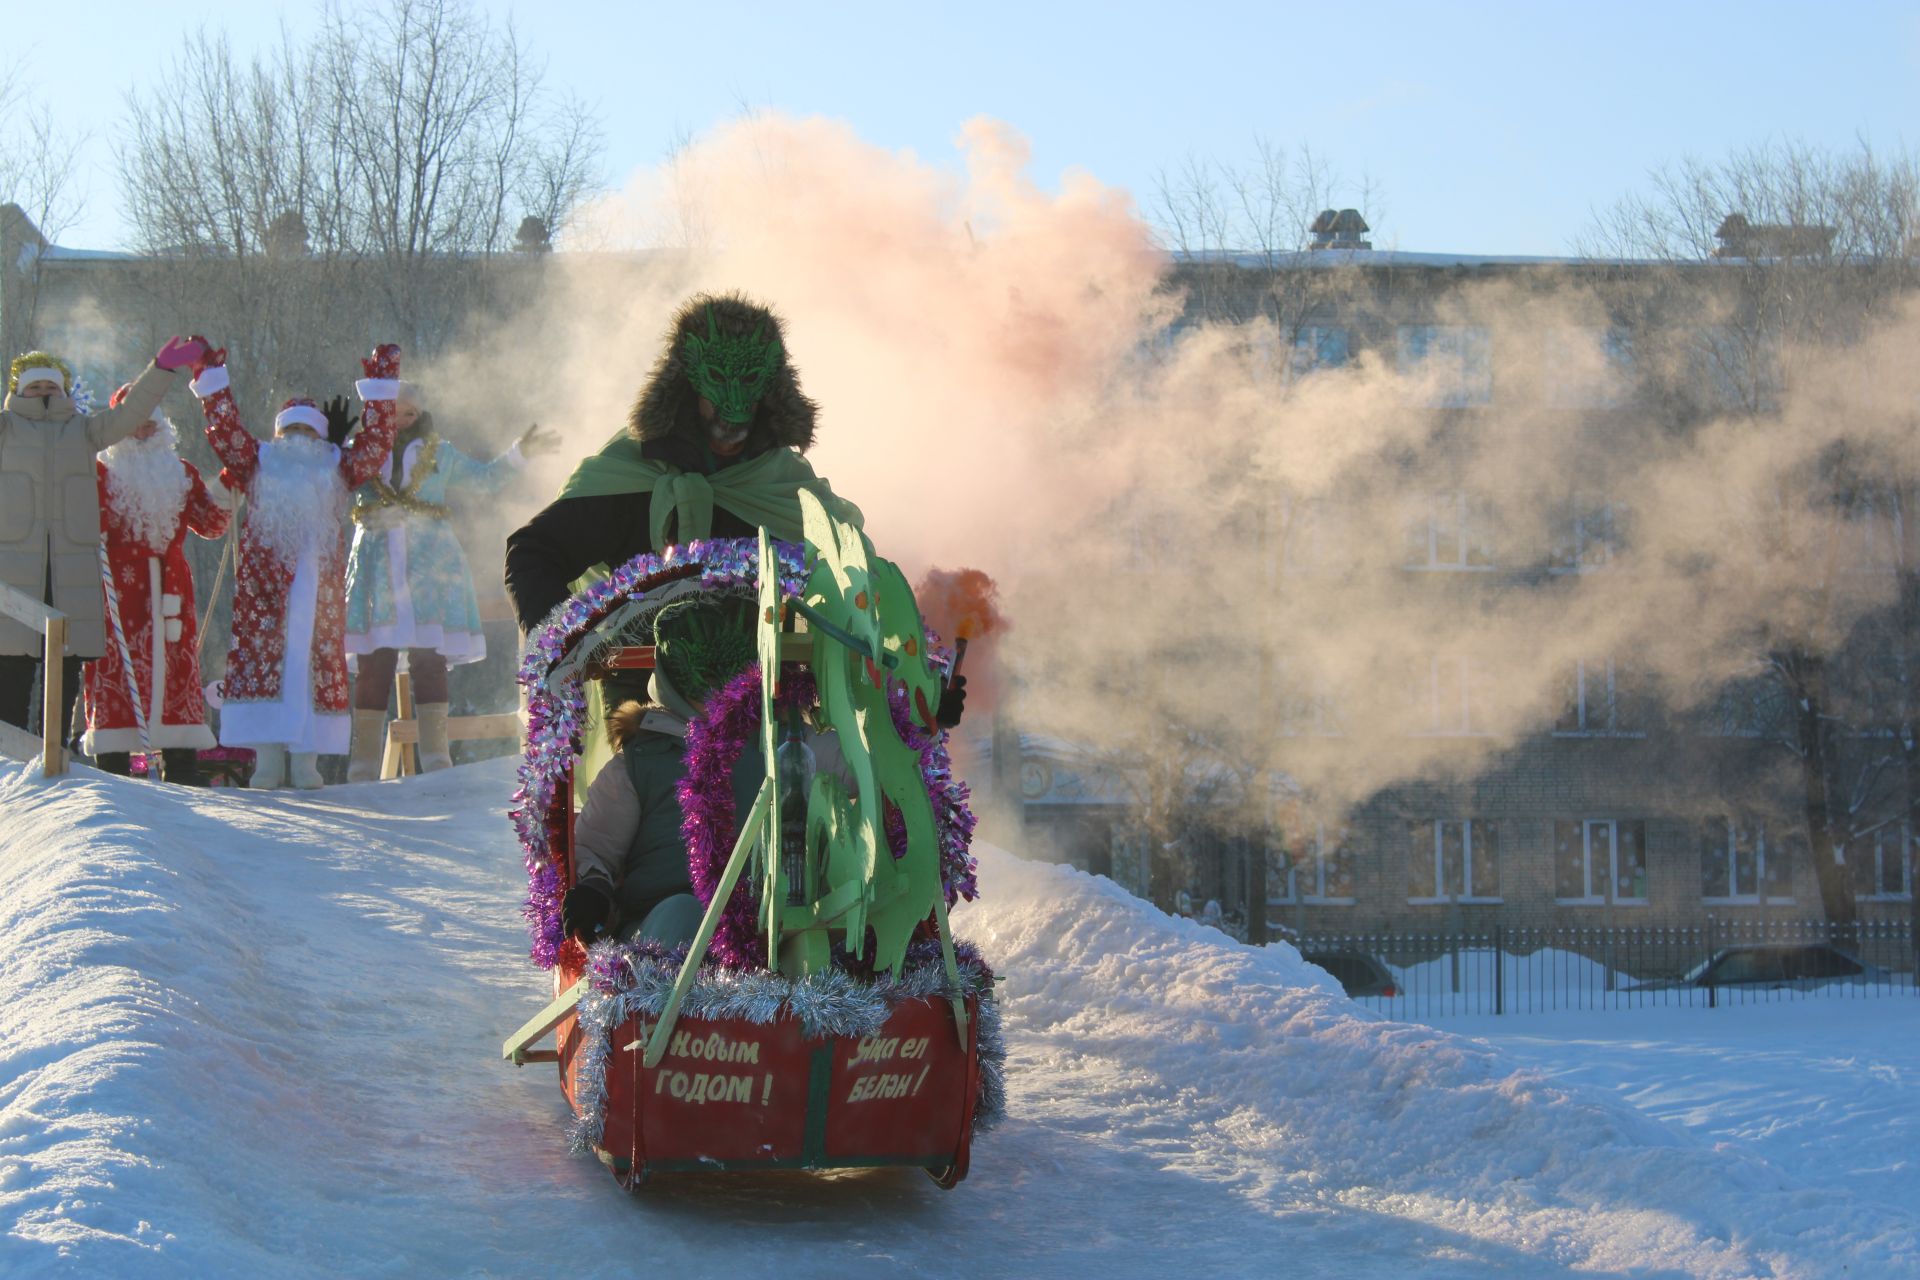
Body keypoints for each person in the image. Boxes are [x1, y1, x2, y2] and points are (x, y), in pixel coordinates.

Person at [503, 292, 861, 636]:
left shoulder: (783, 485)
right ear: (687, 382)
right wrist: (565, 643)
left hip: (767, 689)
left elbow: (851, 575)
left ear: (770, 388)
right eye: (718, 380)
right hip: (638, 683)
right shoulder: (634, 474)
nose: (734, 403)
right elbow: (534, 553)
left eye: (750, 381)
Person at [192, 341, 400, 789]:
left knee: (309, 673)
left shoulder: (337, 466)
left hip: (319, 598)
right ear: (278, 435)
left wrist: (381, 389)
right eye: (291, 432)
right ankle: (267, 764)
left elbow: (378, 442)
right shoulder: (257, 462)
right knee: (269, 669)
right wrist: (211, 378)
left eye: (308, 432)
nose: (299, 440)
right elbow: (225, 431)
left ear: (320, 437)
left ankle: (306, 764)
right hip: (264, 599)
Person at [341, 381, 556, 780]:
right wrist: (329, 450)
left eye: (408, 413)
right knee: (375, 660)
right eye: (393, 412)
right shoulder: (359, 454)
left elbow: (485, 479)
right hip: (377, 567)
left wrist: (519, 455)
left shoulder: (440, 451)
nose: (401, 420)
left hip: (430, 568)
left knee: (430, 658)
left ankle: (437, 758)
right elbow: (335, 485)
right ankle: (363, 763)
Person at [0, 338, 206, 740]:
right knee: (10, 662)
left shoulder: (84, 431)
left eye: (51, 387)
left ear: (63, 391)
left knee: (64, 662)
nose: (43, 394)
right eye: (34, 387)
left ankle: (55, 749)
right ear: (16, 391)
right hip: (15, 564)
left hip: (71, 565)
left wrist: (160, 369)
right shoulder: (5, 429)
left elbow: (130, 414)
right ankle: (7, 753)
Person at [561, 596, 792, 946]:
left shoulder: (780, 747)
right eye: (705, 687)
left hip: (766, 925)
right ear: (677, 685)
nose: (717, 700)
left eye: (730, 685)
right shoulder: (639, 764)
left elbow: (848, 764)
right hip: (664, 929)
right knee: (684, 914)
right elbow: (595, 847)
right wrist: (593, 888)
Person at [82, 383, 233, 781]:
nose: (143, 433)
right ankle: (112, 767)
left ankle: (181, 765)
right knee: (114, 667)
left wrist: (231, 482)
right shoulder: (99, 472)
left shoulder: (180, 472)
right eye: (134, 425)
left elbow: (213, 523)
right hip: (116, 587)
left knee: (176, 670)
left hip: (171, 590)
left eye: (150, 425)